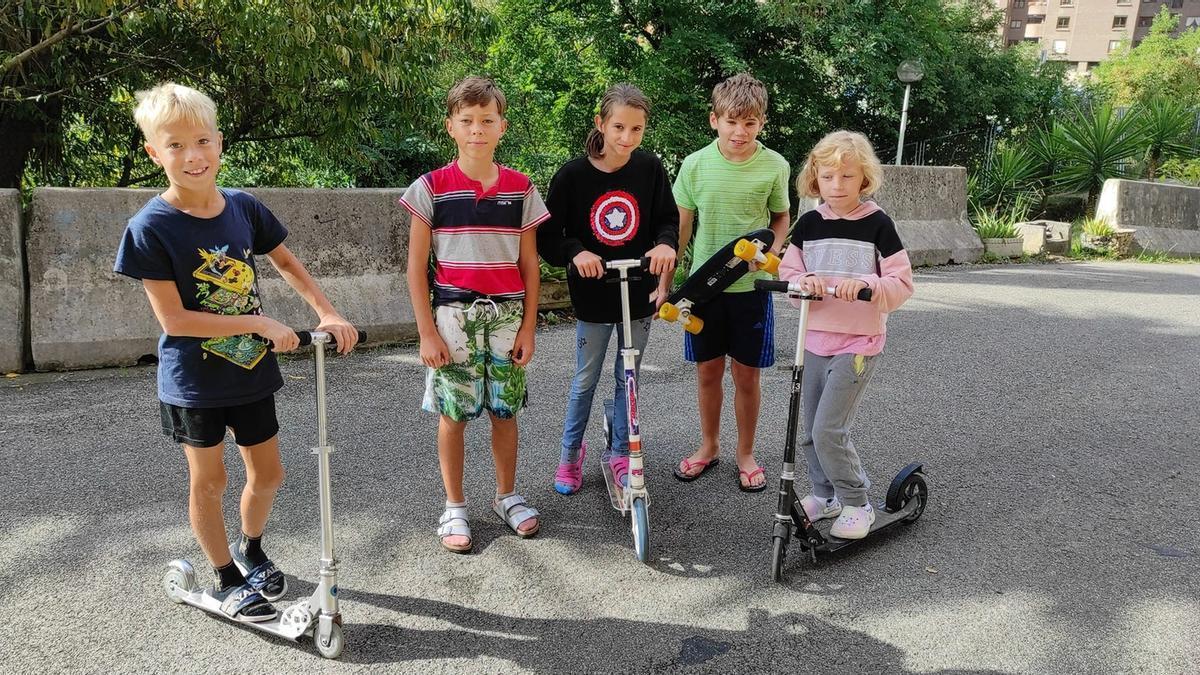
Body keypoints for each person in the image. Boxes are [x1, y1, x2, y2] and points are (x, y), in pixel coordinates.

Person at [113, 83, 360, 622]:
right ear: (155, 152)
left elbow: (287, 264)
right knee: (211, 481)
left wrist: (327, 310)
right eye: (175, 145)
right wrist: (259, 321)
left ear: (220, 143)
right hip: (193, 381)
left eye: (202, 140)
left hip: (250, 371)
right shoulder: (149, 227)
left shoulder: (244, 208)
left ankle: (251, 548)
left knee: (268, 474)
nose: (192, 155)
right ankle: (225, 576)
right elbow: (174, 319)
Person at [401, 76, 548, 553]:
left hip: (506, 316)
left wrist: (529, 325)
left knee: (505, 411)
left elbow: (530, 264)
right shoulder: (430, 189)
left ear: (502, 126)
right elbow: (415, 269)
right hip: (452, 316)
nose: (477, 130)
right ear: (451, 127)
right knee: (454, 413)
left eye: (487, 121)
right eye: (467, 121)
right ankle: (455, 506)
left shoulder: (522, 188)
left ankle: (507, 495)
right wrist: (427, 333)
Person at [537, 83, 678, 495]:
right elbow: (548, 238)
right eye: (619, 127)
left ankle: (621, 452)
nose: (627, 138)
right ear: (601, 124)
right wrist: (576, 251)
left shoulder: (650, 170)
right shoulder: (572, 176)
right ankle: (570, 454)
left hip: (638, 291)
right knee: (585, 378)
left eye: (636, 130)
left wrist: (666, 243)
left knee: (628, 376)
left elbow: (667, 221)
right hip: (594, 297)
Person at [777, 130, 914, 539]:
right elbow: (788, 275)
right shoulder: (809, 223)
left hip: (857, 344)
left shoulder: (877, 223)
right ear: (814, 178)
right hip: (814, 339)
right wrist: (805, 281)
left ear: (864, 179)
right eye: (828, 177)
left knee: (828, 430)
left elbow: (902, 284)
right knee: (810, 431)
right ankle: (825, 494)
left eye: (848, 177)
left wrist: (869, 286)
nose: (837, 186)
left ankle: (857, 502)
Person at [669, 73, 790, 492]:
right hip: (703, 290)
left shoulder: (775, 165)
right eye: (732, 121)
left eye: (750, 123)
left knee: (747, 376)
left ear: (761, 123)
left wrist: (770, 251)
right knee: (706, 372)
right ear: (714, 120)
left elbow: (780, 217)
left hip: (750, 292)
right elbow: (680, 229)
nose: (740, 131)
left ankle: (746, 452)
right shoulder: (695, 165)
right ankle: (708, 446)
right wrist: (668, 282)